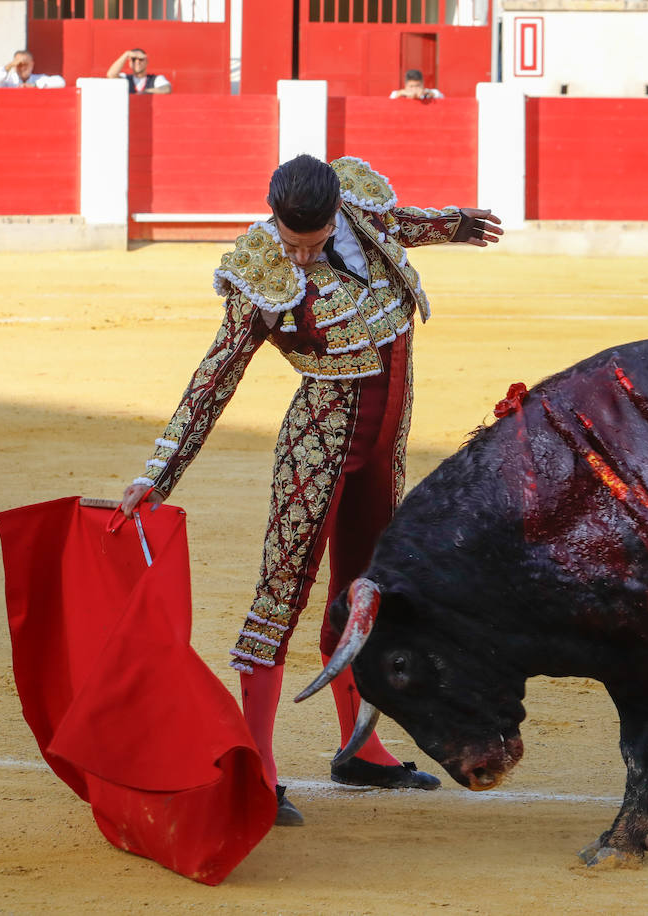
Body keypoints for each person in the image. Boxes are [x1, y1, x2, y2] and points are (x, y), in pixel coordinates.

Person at [120, 154, 501, 826]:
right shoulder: (261, 269)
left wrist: (459, 224)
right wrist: (158, 471)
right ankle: (257, 768)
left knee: (364, 592)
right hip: (317, 445)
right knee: (281, 593)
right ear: (272, 213)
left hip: (385, 442)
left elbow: (402, 223)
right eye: (290, 241)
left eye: (312, 242)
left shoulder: (358, 210)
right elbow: (215, 377)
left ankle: (361, 749)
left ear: (334, 216)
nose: (298, 256)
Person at [0, 50, 66, 89]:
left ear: (32, 64)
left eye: (26, 64)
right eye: (19, 65)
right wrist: (9, 66)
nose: (22, 68)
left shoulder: (39, 79)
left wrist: (35, 86)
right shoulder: (9, 81)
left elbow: (61, 82)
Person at [106, 48, 171, 94]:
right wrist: (126, 54)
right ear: (130, 63)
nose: (137, 62)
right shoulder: (125, 78)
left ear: (146, 62)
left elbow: (167, 88)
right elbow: (111, 75)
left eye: (141, 59)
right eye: (134, 59)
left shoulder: (156, 79)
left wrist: (145, 92)